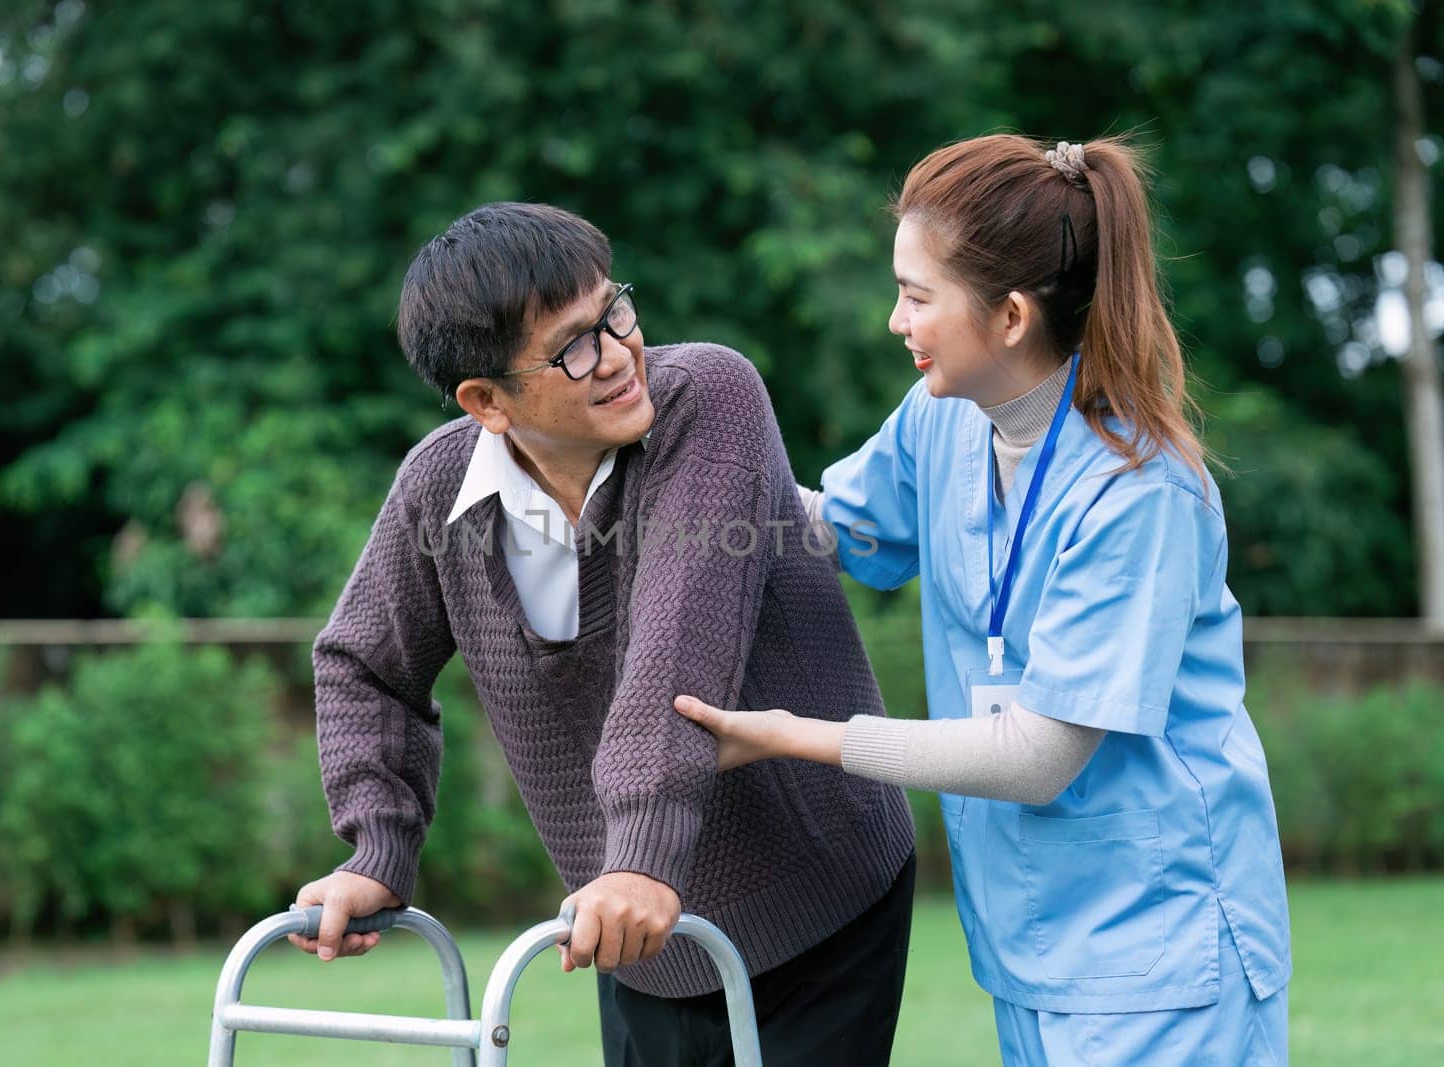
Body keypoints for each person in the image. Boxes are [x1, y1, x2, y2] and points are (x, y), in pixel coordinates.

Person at [675, 135, 1292, 1065]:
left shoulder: (1142, 495)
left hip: (1164, 954)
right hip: (1031, 947)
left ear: (1008, 315)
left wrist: (787, 734)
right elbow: (826, 529)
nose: (896, 321)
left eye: (918, 296)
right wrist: (654, 488)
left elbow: (1040, 756)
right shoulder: (943, 419)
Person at [290, 202, 917, 1066]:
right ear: (486, 400)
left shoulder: (708, 396)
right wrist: (378, 845)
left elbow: (675, 642)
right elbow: (363, 663)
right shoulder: (438, 491)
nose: (621, 353)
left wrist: (640, 858)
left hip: (814, 894)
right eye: (573, 346)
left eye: (613, 310)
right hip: (633, 925)